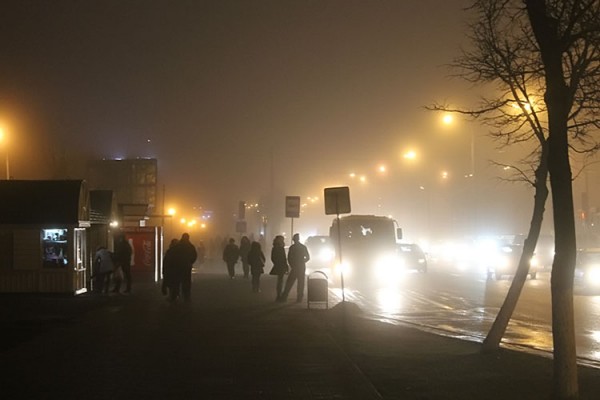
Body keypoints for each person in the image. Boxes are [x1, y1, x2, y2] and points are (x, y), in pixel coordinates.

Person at [279, 233, 310, 302]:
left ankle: (284, 296)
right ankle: (299, 297)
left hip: (295, 267)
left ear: (294, 239)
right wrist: (302, 262)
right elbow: (308, 257)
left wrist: (292, 264)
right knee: (301, 282)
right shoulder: (303, 247)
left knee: (289, 282)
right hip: (301, 267)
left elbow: (289, 258)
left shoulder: (292, 247)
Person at [173, 233, 197, 302]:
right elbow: (194, 255)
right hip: (187, 266)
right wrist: (190, 262)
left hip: (178, 266)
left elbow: (174, 255)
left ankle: (176, 294)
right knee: (187, 281)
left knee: (177, 281)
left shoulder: (178, 246)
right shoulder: (190, 246)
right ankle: (186, 296)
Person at [270, 235, 289, 301]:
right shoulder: (280, 248)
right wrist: (285, 265)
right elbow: (283, 258)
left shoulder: (274, 247)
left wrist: (276, 263)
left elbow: (272, 258)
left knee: (280, 281)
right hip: (281, 265)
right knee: (280, 281)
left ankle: (279, 295)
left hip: (278, 265)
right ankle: (279, 295)